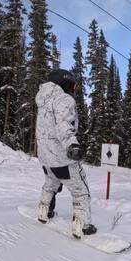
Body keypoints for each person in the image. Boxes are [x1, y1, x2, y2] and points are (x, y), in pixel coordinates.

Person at [35, 69, 97, 238]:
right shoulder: (63, 99)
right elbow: (64, 125)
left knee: (50, 183)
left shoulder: (43, 101)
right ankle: (82, 225)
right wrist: (72, 145)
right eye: (72, 85)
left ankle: (44, 210)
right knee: (80, 189)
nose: (73, 89)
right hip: (62, 157)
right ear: (65, 83)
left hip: (45, 157)